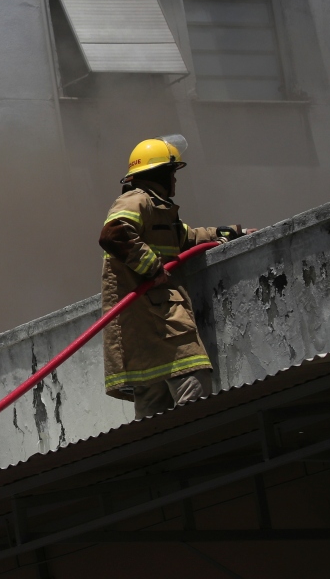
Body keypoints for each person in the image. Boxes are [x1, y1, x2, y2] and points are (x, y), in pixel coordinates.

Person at [98, 135, 252, 418]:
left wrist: (230, 232)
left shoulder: (159, 212)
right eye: (173, 174)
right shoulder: (136, 200)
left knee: (152, 406)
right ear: (161, 174)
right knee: (193, 379)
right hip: (161, 320)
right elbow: (114, 234)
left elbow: (187, 238)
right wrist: (152, 268)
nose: (176, 182)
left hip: (148, 326)